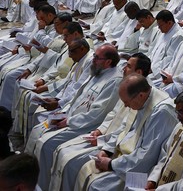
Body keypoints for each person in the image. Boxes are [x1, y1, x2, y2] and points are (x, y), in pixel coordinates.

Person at [26, 44, 122, 191]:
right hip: (70, 117)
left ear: (108, 62)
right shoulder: (97, 72)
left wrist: (68, 121)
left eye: (97, 57)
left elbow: (97, 114)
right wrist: (62, 112)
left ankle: (44, 186)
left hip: (84, 125)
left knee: (46, 144)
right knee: (38, 130)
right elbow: (78, 97)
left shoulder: (114, 81)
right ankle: (31, 181)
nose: (93, 60)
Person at [81, 74, 178, 191]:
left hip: (142, 169)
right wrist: (106, 150)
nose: (126, 106)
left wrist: (112, 165)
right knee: (84, 168)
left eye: (126, 102)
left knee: (97, 186)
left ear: (141, 95)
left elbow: (147, 156)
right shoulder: (143, 100)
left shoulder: (161, 112)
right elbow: (124, 129)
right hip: (126, 159)